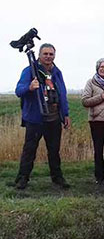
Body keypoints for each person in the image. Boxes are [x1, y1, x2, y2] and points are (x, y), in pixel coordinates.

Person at [14, 43, 71, 190]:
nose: (48, 56)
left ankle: (57, 178)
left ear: (54, 55)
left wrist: (65, 114)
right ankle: (22, 178)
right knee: (30, 149)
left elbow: (63, 94)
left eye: (51, 54)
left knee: (54, 150)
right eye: (45, 54)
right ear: (39, 55)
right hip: (35, 119)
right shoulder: (29, 71)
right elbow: (18, 90)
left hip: (54, 118)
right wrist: (29, 87)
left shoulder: (57, 72)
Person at [81, 58, 104, 185]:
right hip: (97, 121)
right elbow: (85, 101)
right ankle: (100, 177)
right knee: (98, 150)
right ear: (97, 68)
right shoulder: (91, 82)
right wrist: (101, 97)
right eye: (102, 67)